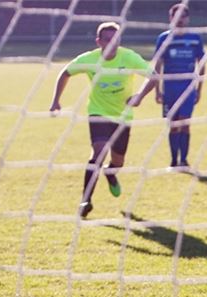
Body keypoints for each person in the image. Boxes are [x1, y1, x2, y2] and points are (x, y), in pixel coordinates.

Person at [50, 22, 157, 219]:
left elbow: (154, 76)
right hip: (98, 112)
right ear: (98, 42)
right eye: (108, 39)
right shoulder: (89, 59)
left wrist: (139, 97)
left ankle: (110, 172)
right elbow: (65, 73)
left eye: (116, 39)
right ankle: (85, 200)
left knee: (118, 161)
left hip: (123, 116)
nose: (112, 43)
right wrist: (56, 100)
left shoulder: (128, 57)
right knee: (99, 152)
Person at [155, 3, 206, 170]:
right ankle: (173, 161)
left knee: (185, 123)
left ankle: (183, 161)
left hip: (188, 88)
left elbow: (201, 64)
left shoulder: (195, 38)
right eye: (176, 16)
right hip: (170, 88)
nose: (180, 20)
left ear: (188, 19)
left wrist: (199, 89)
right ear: (170, 18)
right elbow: (158, 66)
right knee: (173, 124)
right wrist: (157, 90)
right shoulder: (164, 38)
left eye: (183, 17)